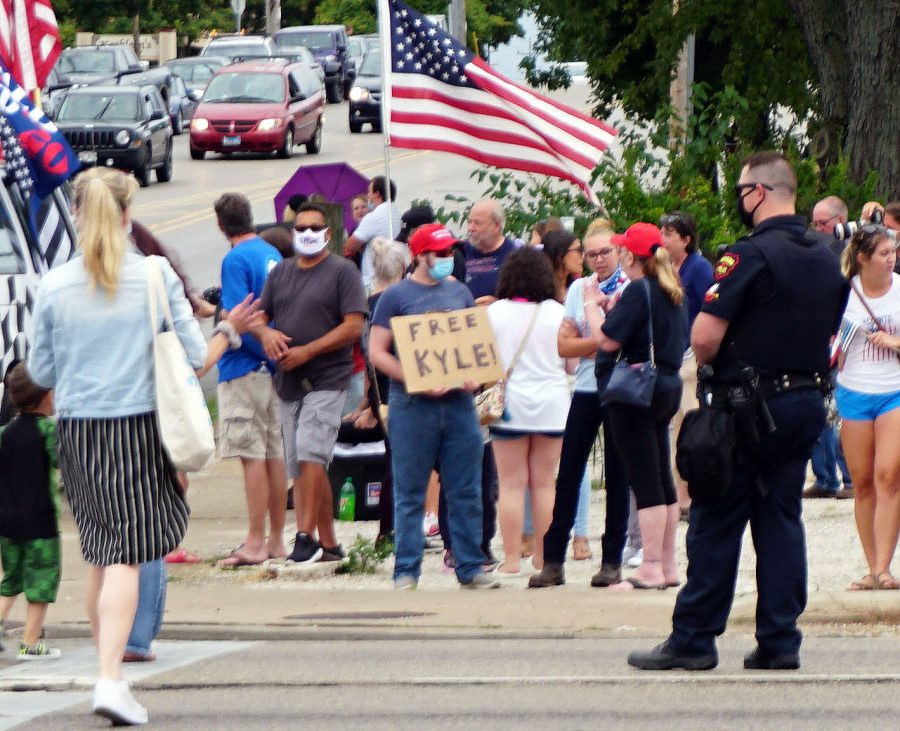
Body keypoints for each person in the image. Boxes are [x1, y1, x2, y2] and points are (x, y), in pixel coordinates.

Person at [27, 167, 260, 725]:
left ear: (78, 216)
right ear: (130, 215)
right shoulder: (152, 274)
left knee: (101, 556)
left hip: (80, 431)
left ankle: (109, 671)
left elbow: (39, 370)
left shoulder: (55, 284)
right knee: (128, 556)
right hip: (136, 427)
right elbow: (188, 359)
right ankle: (111, 678)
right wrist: (227, 331)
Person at [628, 151, 847, 672]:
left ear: (759, 193)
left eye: (744, 190)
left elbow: (703, 338)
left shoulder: (747, 255)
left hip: (748, 406)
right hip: (806, 401)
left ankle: (694, 638)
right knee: (781, 519)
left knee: (716, 518)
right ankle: (779, 640)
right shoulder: (824, 254)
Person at [368, 223, 500, 590]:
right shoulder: (395, 297)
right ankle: (406, 569)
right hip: (412, 405)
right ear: (419, 256)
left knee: (467, 488)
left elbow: (471, 344)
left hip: (459, 403)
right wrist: (414, 378)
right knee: (409, 491)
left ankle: (470, 565)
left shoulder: (460, 291)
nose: (446, 259)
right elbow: (377, 352)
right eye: (439, 253)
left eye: (448, 252)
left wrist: (474, 375)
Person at [253, 202, 369, 565]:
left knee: (311, 451)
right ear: (292, 232)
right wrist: (266, 334)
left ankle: (304, 536)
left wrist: (308, 351)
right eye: (300, 228)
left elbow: (353, 325)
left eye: (314, 228)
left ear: (328, 233)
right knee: (301, 464)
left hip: (327, 377)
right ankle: (331, 545)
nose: (307, 234)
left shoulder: (342, 271)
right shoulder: (282, 272)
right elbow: (258, 315)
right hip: (288, 380)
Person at [579, 223, 687, 591]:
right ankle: (668, 565)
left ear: (630, 256)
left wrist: (592, 306)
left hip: (637, 390)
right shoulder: (671, 289)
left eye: (622, 250)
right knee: (661, 476)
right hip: (667, 384)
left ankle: (651, 567)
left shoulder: (639, 290)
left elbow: (607, 340)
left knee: (645, 480)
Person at [529, 226, 631, 588]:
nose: (599, 260)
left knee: (618, 475)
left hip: (620, 387)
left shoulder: (629, 288)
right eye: (591, 254)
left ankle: (612, 560)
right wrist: (600, 342)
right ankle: (553, 560)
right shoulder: (578, 289)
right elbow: (564, 346)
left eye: (605, 252)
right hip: (587, 387)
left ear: (618, 251)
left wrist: (594, 342)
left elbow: (620, 343)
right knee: (569, 470)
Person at [214, 193, 288, 568]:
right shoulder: (269, 253)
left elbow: (238, 314)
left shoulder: (235, 258)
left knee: (251, 455)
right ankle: (276, 539)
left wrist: (227, 319)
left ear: (220, 224)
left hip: (243, 367)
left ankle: (255, 542)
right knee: (274, 453)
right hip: (272, 370)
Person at [487, 248, 569, 577]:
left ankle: (509, 560)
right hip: (552, 404)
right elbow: (570, 362)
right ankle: (542, 559)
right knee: (545, 484)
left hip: (510, 405)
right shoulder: (558, 312)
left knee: (510, 485)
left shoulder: (495, 312)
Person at [834, 226, 900, 590]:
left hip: (894, 390)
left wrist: (895, 341)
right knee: (862, 484)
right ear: (863, 258)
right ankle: (872, 566)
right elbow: (824, 336)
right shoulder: (844, 293)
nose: (892, 259)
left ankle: (884, 567)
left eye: (893, 252)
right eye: (884, 253)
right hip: (854, 390)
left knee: (889, 476)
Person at [0, 363, 61, 660]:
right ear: (47, 395)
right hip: (40, 522)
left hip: (7, 521)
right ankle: (30, 642)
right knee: (41, 580)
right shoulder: (49, 431)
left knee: (11, 578)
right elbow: (64, 463)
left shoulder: (4, 433)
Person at [659, 211, 714, 516]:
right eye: (662, 233)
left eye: (669, 234)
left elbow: (708, 307)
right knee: (675, 425)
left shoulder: (699, 268)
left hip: (691, 353)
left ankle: (689, 491)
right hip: (672, 352)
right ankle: (680, 489)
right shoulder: (665, 267)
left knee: (689, 423)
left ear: (686, 239)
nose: (663, 239)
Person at [804, 196, 854, 500]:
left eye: (822, 223)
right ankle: (825, 477)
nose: (817, 228)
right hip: (817, 338)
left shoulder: (855, 253)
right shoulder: (816, 252)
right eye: (815, 223)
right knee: (817, 410)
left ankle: (850, 477)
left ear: (839, 222)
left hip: (844, 340)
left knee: (842, 412)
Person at [343, 176, 401, 291]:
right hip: (394, 274)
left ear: (377, 194)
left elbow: (350, 245)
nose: (368, 195)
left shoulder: (374, 217)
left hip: (374, 278)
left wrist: (360, 245)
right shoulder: (395, 213)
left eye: (370, 191)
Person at [463, 198, 518, 305]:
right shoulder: (459, 252)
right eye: (469, 222)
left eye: (477, 223)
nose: (471, 228)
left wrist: (498, 304)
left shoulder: (515, 257)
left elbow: (526, 302)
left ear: (496, 226)